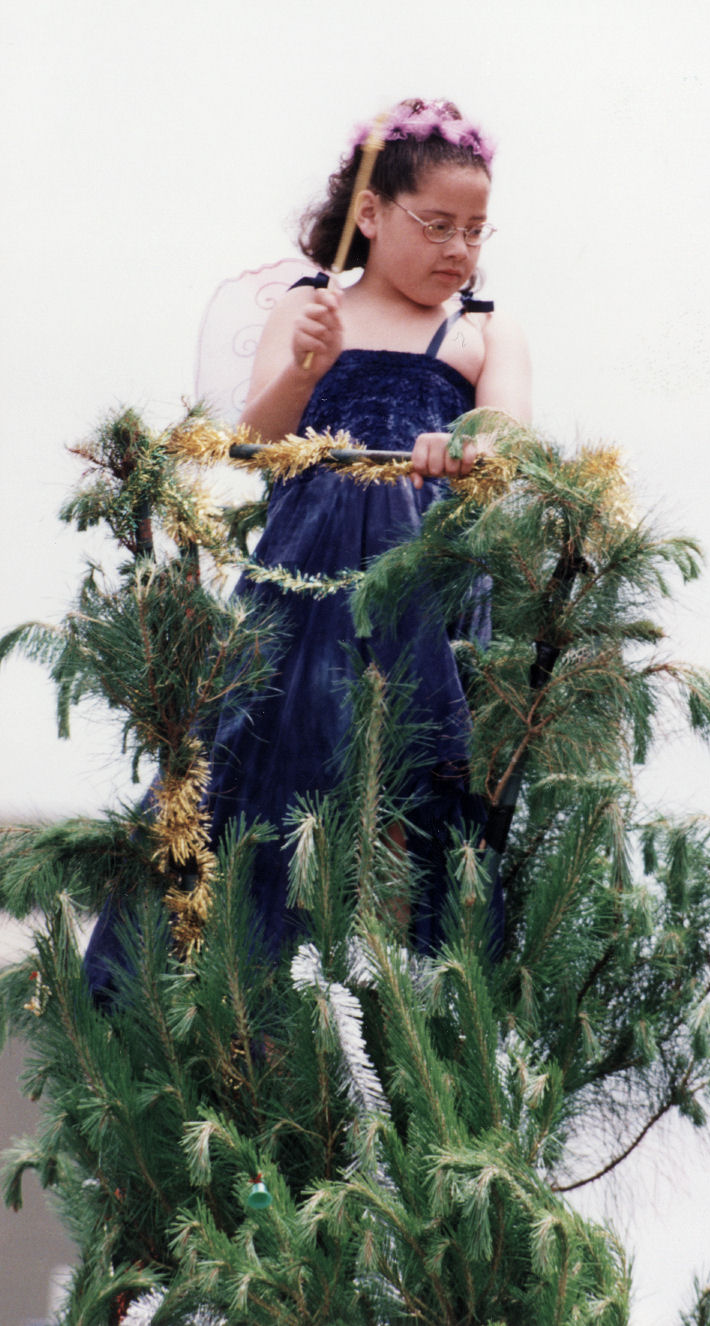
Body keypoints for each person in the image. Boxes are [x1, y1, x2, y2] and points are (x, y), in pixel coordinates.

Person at [85, 98, 531, 992]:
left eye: (476, 232)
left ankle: (416, 985)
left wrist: (467, 451)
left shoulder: (483, 330)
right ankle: (227, 977)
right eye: (437, 225)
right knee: (264, 754)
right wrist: (305, 368)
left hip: (423, 581)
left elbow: (510, 448)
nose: (460, 251)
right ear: (370, 214)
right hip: (306, 577)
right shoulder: (311, 307)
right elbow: (255, 440)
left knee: (416, 767)